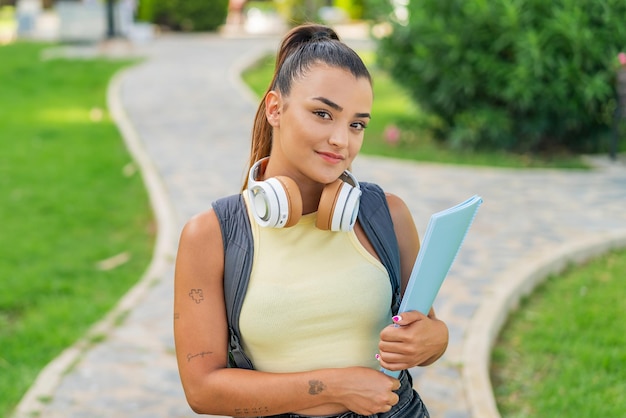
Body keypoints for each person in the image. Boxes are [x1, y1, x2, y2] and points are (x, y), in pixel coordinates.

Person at [173, 23, 449, 417]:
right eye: (323, 114)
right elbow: (203, 389)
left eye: (357, 124)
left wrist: (434, 340)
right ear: (275, 109)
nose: (342, 140)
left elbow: (429, 331)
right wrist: (334, 387)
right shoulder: (212, 235)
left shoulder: (387, 214)